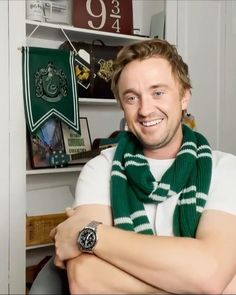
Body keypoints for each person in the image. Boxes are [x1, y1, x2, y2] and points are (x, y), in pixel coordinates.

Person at [51, 39, 236, 294]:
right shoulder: (99, 170)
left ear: (184, 97)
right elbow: (85, 279)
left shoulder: (226, 170)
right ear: (122, 105)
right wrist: (194, 282)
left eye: (158, 92)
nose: (145, 110)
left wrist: (94, 234)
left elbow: (209, 274)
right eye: (132, 97)